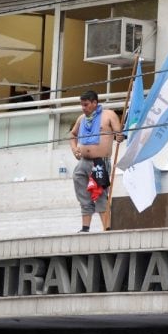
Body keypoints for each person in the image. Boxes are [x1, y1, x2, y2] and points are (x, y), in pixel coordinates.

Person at [69, 90, 124, 232]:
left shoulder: (109, 115)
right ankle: (85, 228)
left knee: (100, 194)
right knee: (82, 191)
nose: (83, 108)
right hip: (83, 161)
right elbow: (72, 134)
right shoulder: (81, 118)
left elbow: (120, 133)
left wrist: (120, 137)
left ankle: (107, 228)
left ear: (94, 103)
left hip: (100, 162)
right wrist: (74, 149)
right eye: (82, 105)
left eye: (86, 105)